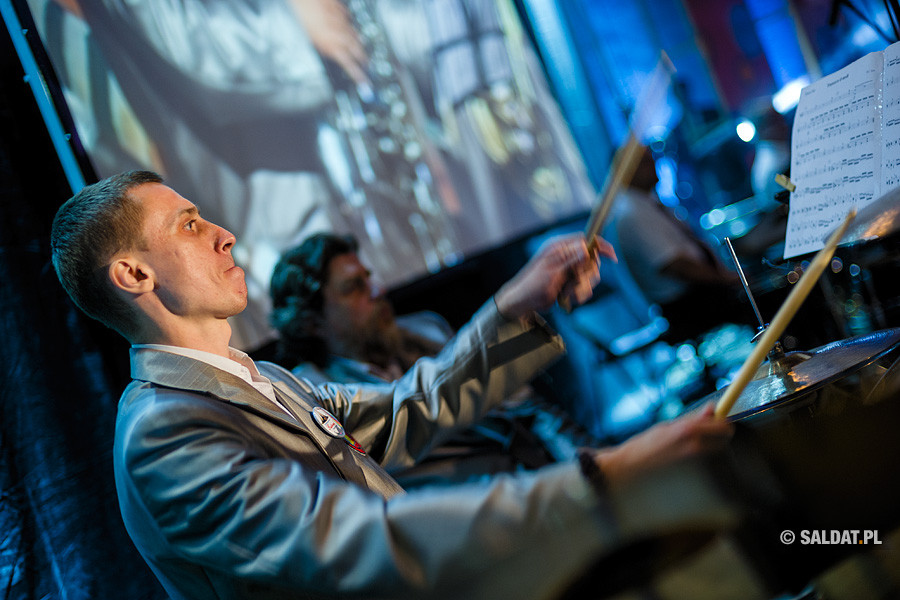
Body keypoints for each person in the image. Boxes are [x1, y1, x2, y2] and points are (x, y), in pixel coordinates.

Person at [50, 170, 736, 599]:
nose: (225, 235)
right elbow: (355, 542)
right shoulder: (164, 435)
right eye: (191, 225)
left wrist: (515, 304)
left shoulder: (265, 379)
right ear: (134, 275)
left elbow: (411, 408)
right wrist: (601, 481)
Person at [269, 233, 600, 487]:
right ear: (311, 322)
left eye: (369, 277)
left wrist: (593, 463)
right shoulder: (312, 395)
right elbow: (423, 408)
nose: (378, 290)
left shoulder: (424, 329)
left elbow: (526, 407)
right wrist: (514, 303)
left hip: (550, 473)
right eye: (355, 287)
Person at [612, 150, 742, 343]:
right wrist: (726, 279)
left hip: (702, 294)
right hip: (691, 307)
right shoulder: (631, 212)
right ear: (625, 170)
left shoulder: (648, 202)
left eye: (651, 158)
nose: (653, 164)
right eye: (644, 161)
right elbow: (675, 265)